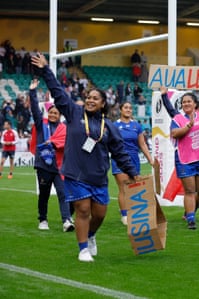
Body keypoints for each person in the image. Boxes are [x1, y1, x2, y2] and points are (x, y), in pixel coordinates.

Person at [31, 53, 140, 262]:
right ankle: (82, 249)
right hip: (76, 174)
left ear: (102, 104)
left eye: (95, 98)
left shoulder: (109, 127)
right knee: (82, 210)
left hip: (98, 177)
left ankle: (90, 236)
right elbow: (57, 92)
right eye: (88, 97)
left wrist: (133, 173)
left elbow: (119, 153)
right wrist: (46, 70)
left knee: (99, 215)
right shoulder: (73, 113)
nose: (90, 100)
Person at [160, 87, 199, 223]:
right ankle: (190, 217)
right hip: (185, 160)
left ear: (195, 104)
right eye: (183, 102)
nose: (186, 104)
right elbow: (174, 133)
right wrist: (187, 127)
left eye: (189, 101)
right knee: (190, 191)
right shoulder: (178, 119)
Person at [28, 79, 74, 232]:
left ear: (60, 115)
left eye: (56, 113)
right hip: (43, 165)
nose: (54, 114)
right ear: (48, 113)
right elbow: (35, 109)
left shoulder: (63, 128)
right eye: (52, 112)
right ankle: (43, 219)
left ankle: (67, 220)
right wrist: (32, 92)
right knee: (44, 194)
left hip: (60, 167)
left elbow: (67, 145)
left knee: (63, 193)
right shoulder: (42, 125)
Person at [111, 102, 154, 226]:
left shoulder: (136, 126)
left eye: (130, 108)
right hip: (119, 159)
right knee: (124, 187)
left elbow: (142, 144)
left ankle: (129, 211)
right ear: (120, 110)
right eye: (125, 107)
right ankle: (124, 215)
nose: (128, 110)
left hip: (134, 160)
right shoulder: (114, 126)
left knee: (133, 187)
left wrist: (150, 159)